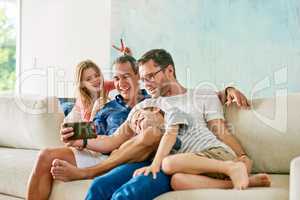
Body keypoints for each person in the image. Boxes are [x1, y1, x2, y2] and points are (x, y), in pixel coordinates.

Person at [85, 49, 253, 200]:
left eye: (151, 76)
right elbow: (110, 137)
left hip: (177, 161)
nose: (147, 84)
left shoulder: (202, 96)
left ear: (170, 71)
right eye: (144, 79)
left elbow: (221, 132)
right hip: (149, 158)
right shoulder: (142, 104)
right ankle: (91, 171)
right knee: (98, 186)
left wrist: (243, 157)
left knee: (127, 194)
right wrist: (80, 136)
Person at [26, 59, 113, 200]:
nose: (96, 80)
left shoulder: (108, 99)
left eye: (97, 75)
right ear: (82, 84)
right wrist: (69, 135)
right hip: (84, 150)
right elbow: (68, 126)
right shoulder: (82, 102)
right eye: (89, 79)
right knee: (46, 157)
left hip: (101, 154)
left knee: (45, 156)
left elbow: (98, 134)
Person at [131, 104, 271, 190]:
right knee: (176, 181)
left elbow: (170, 135)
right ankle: (236, 181)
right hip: (204, 169)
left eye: (139, 116)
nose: (137, 123)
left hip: (217, 153)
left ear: (155, 110)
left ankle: (231, 167)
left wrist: (155, 165)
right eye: (135, 126)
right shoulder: (157, 143)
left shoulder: (172, 114)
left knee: (167, 164)